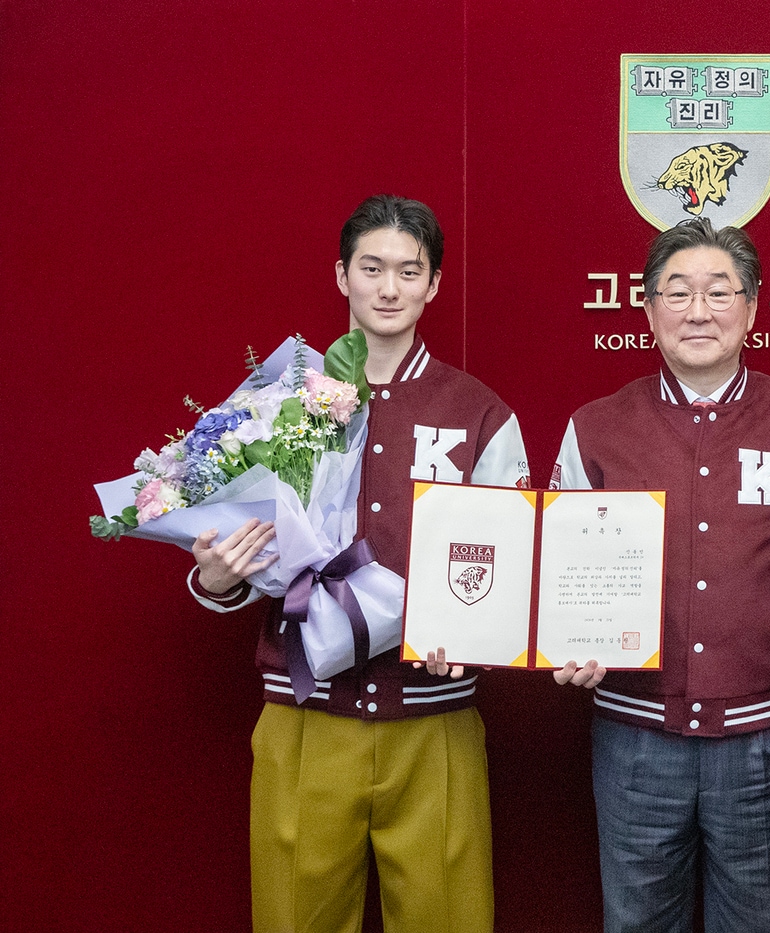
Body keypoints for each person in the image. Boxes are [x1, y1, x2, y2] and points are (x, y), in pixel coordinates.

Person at [187, 195, 529, 933]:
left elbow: (512, 561)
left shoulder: (480, 412)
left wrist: (473, 634)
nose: (389, 288)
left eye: (409, 271)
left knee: (448, 918)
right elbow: (236, 539)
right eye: (371, 268)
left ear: (434, 284)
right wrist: (216, 578)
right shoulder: (279, 403)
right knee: (295, 918)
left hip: (432, 716)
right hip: (305, 710)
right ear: (342, 275)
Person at [550, 217, 770, 933]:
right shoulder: (595, 426)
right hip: (633, 733)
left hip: (759, 737)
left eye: (719, 292)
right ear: (647, 308)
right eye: (677, 292)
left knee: (753, 921)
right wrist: (567, 638)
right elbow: (563, 567)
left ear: (752, 309)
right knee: (635, 921)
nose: (698, 311)